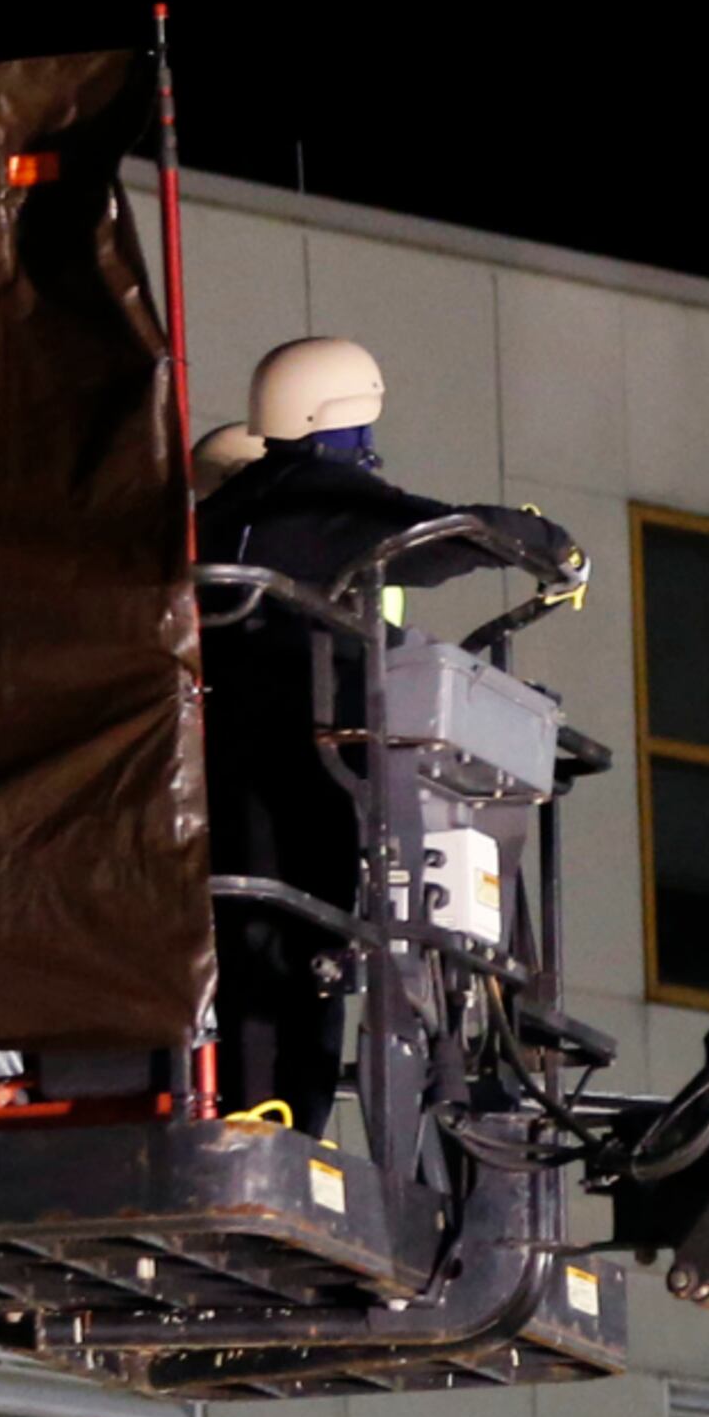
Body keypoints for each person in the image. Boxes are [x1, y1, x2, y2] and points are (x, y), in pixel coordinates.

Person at [197, 338, 577, 1130]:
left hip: (203, 761)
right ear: (346, 420)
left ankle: (234, 1101)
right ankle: (277, 1119)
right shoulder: (320, 501)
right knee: (311, 939)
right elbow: (442, 536)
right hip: (305, 755)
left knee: (237, 932)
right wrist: (551, 550)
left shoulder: (213, 515)